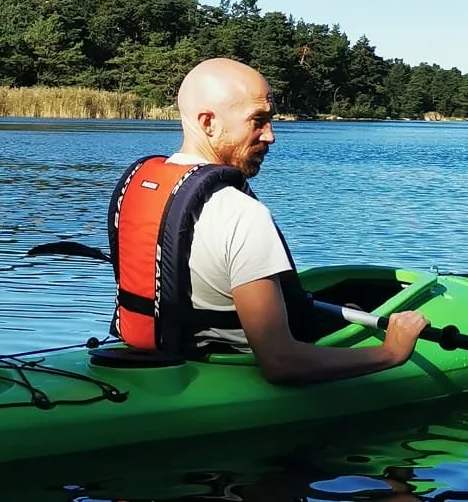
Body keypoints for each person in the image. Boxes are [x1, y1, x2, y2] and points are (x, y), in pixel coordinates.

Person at [108, 57, 428, 383]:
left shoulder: (140, 188)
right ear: (208, 123)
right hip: (233, 366)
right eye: (257, 121)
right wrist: (390, 353)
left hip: (162, 348)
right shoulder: (242, 214)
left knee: (344, 304)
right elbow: (280, 363)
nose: (270, 136)